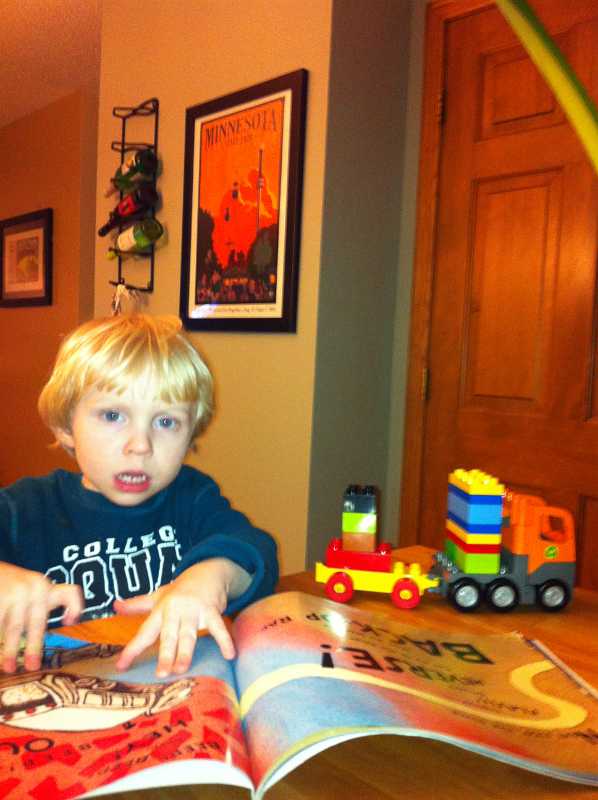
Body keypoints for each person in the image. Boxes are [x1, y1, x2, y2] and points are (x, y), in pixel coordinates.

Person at [0, 314, 278, 678]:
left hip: (168, 685)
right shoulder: (24, 507)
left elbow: (255, 550)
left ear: (190, 435)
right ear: (66, 426)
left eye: (166, 422)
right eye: (113, 415)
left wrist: (211, 577)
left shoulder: (191, 496)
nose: (141, 445)